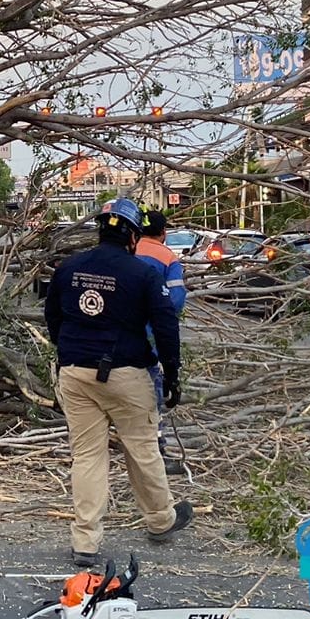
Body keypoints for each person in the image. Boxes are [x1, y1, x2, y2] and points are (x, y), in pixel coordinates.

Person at [43, 197, 192, 567]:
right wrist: (171, 374)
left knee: (88, 456)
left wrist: (69, 353)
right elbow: (165, 326)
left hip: (75, 373)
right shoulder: (142, 274)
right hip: (127, 373)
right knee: (142, 450)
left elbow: (53, 318)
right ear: (132, 235)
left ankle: (85, 541)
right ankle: (160, 520)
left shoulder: (69, 268)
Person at [135, 207, 188, 475]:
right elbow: (174, 303)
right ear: (164, 232)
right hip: (150, 340)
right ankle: (157, 450)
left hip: (117, 340)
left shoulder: (128, 252)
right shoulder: (167, 258)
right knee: (152, 395)